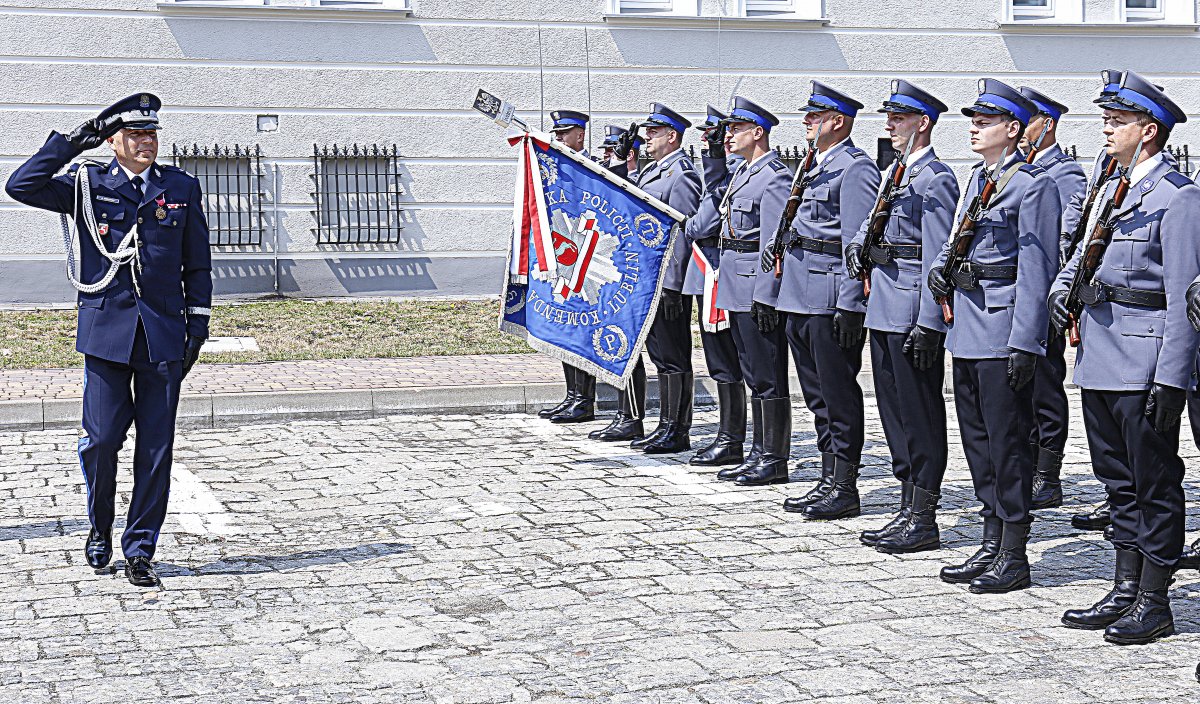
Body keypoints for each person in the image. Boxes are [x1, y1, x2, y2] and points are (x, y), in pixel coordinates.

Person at [6, 93, 212, 588]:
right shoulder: (87, 182)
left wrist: (198, 326)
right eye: (136, 134)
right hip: (106, 335)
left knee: (156, 448)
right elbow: (21, 185)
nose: (147, 142)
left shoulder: (180, 186)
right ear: (113, 141)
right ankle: (98, 527)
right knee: (100, 442)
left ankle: (141, 549)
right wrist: (76, 141)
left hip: (162, 334)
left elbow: (196, 261)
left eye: (152, 133)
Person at [1050, 71, 1200, 645]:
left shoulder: (1178, 198)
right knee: (1115, 479)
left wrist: (1173, 378)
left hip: (1144, 362)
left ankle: (1155, 599)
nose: (1107, 130)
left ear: (1150, 131)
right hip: (1100, 357)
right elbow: (1084, 256)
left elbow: (1186, 296)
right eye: (1106, 120)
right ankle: (1124, 584)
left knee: (1153, 480)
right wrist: (1060, 294)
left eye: (1118, 122)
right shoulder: (1111, 189)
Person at [928, 79, 1059, 594]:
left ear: (1012, 129)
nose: (975, 128)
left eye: (985, 122)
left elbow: (1036, 267)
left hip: (1003, 328)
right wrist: (941, 270)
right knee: (978, 442)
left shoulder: (1032, 186)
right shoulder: (977, 180)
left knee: (1008, 445)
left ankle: (1014, 552)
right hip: (968, 329)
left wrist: (1027, 341)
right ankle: (989, 539)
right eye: (974, 121)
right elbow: (956, 239)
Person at [845, 80, 958, 551]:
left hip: (912, 310)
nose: (889, 124)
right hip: (884, 308)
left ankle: (924, 513)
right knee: (893, 413)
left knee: (919, 413)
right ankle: (907, 503)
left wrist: (930, 323)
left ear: (923, 123)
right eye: (888, 117)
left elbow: (937, 258)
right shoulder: (893, 173)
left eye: (899, 117)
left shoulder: (937, 178)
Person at [771, 81, 881, 517]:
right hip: (800, 294)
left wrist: (851, 303)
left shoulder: (855, 169)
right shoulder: (815, 164)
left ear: (837, 122)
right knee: (816, 395)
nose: (806, 123)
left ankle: (845, 485)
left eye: (814, 117)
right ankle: (827, 476)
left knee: (837, 394)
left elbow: (858, 242)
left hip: (829, 295)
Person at [594, 104, 701, 451]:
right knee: (658, 354)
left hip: (666, 283)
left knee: (673, 356)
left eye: (654, 133)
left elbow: (682, 233)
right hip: (647, 281)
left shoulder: (680, 174)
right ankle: (662, 425)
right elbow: (623, 199)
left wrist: (673, 284)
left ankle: (676, 428)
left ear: (672, 136)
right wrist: (619, 161)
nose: (647, 139)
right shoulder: (652, 172)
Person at [711, 97, 793, 487]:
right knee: (751, 372)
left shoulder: (773, 176)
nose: (728, 137)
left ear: (757, 132)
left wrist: (766, 293)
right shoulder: (743, 173)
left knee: (767, 374)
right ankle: (758, 452)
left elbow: (772, 243)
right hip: (735, 284)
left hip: (754, 287)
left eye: (735, 129)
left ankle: (773, 458)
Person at [1017, 86, 1087, 512]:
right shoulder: (1015, 170)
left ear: (1048, 124)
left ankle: (1048, 472)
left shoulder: (1065, 173)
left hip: (1045, 294)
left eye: (1028, 121)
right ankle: (1026, 461)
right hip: (1018, 293)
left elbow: (1063, 240)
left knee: (1045, 383)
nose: (1022, 130)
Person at [685, 106, 748, 468]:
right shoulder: (723, 176)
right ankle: (729, 435)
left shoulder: (735, 176)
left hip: (725, 276)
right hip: (713, 275)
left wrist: (715, 166)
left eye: (717, 134)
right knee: (720, 362)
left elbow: (701, 224)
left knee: (728, 363)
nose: (713, 142)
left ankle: (733, 438)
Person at [538, 109, 596, 424]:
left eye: (564, 134)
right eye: (556, 134)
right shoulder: (555, 167)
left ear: (580, 135)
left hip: (586, 259)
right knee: (567, 328)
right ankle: (573, 394)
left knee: (582, 327)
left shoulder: (593, 168)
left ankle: (585, 400)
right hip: (563, 256)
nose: (558, 139)